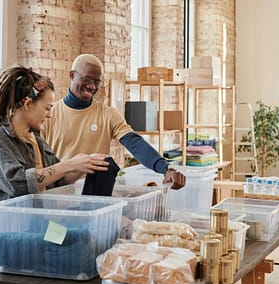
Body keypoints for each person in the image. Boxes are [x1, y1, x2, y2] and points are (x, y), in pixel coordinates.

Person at [0, 65, 110, 266]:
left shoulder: (35, 138)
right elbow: (19, 184)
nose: (49, 114)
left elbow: (57, 180)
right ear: (27, 104)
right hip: (13, 242)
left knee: (84, 242)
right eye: (47, 107)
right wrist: (68, 164)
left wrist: (83, 165)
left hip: (43, 231)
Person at [41, 54, 186, 189]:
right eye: (87, 80)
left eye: (97, 82)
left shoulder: (108, 114)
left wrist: (165, 169)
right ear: (72, 75)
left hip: (96, 194)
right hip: (59, 194)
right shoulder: (48, 115)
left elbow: (135, 143)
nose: (92, 86)